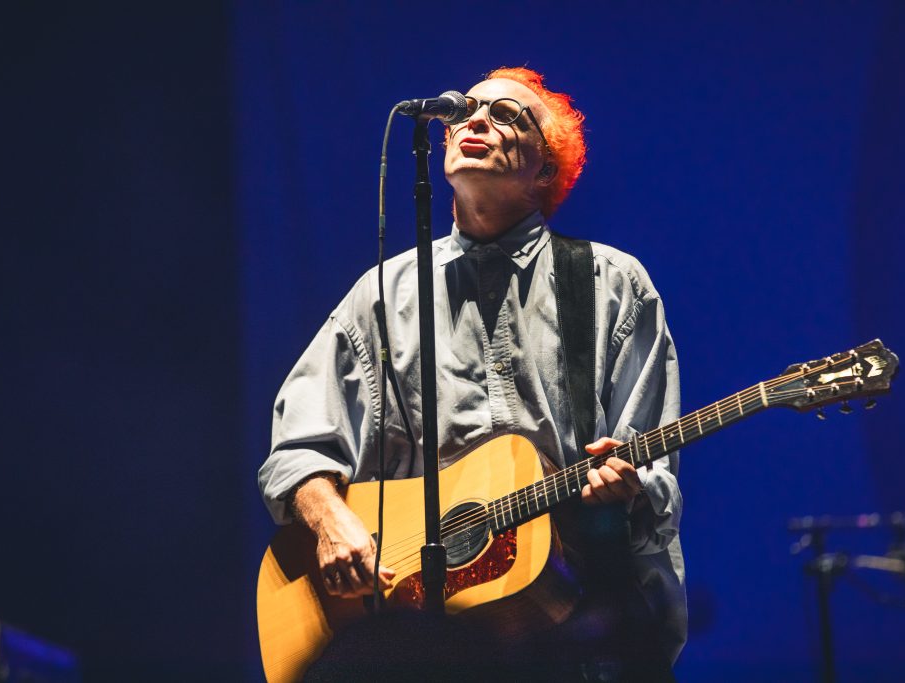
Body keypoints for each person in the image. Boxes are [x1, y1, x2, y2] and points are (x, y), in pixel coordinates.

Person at [258, 67, 686, 680]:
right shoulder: (381, 295)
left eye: (507, 115)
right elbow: (298, 446)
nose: (475, 120)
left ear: (546, 168)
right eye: (465, 112)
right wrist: (330, 520)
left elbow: (654, 479)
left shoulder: (610, 284)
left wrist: (630, 488)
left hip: (575, 636)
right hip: (418, 646)